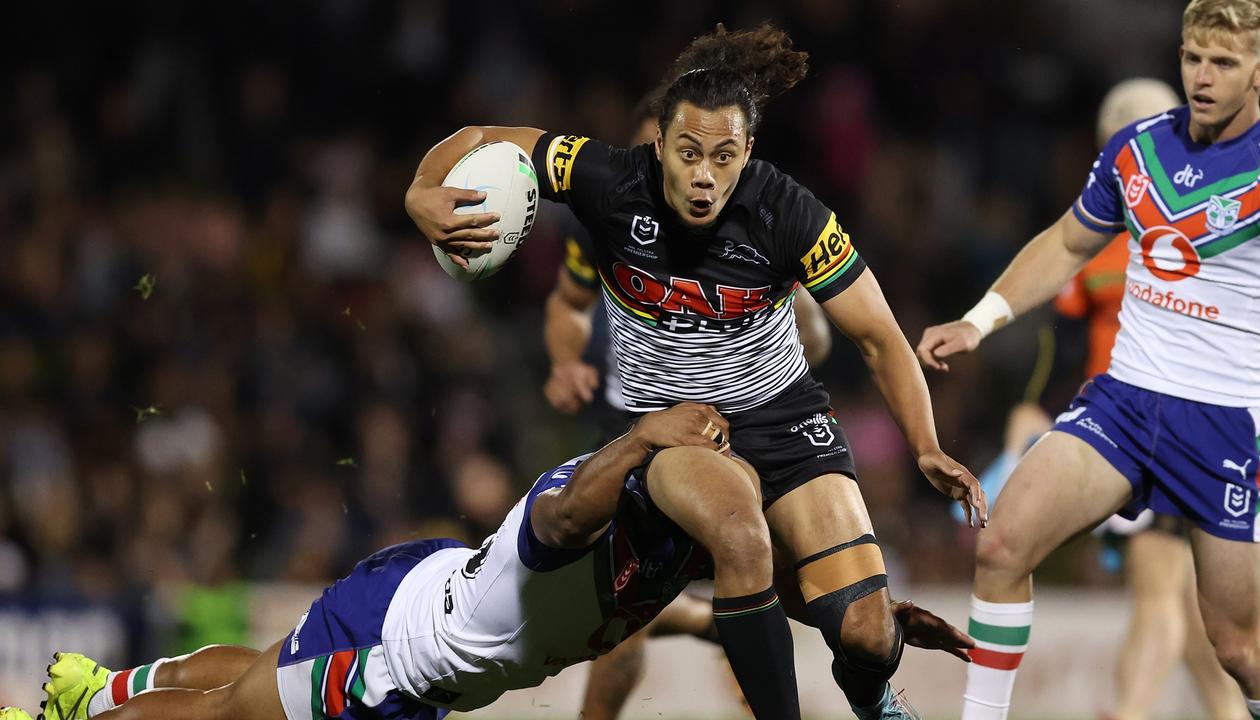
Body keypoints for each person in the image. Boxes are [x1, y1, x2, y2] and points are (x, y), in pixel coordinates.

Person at [407, 23, 986, 720]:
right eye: (686, 153)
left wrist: (925, 446)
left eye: (722, 155)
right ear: (659, 145)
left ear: (748, 152)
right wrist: (421, 189)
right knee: (740, 537)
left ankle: (873, 698)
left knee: (866, 632)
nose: (703, 175)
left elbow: (881, 338)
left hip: (785, 418)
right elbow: (481, 137)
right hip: (677, 432)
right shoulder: (610, 182)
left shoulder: (789, 212)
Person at [18, 404, 971, 720]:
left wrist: (831, 614)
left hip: (418, 592)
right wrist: (641, 438)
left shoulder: (680, 538)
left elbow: (732, 595)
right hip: (399, 661)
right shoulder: (588, 508)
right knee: (237, 715)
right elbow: (561, 520)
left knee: (264, 674)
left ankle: (91, 691)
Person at [917, 2, 1260, 718]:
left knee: (1237, 646)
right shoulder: (1136, 149)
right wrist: (980, 319)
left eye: (1225, 64)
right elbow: (1067, 244)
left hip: (1227, 427)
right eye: (1192, 58)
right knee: (1001, 546)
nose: (1203, 77)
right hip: (1125, 402)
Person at [543, 93, 832, 720]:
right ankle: (710, 622)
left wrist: (775, 361)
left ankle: (737, 635)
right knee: (612, 608)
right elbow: (568, 304)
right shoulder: (611, 218)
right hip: (632, 430)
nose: (688, 179)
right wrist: (566, 361)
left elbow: (818, 335)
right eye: (673, 156)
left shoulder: (754, 236)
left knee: (731, 570)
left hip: (730, 436)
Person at [1061, 77, 1246, 720]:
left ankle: (1131, 712)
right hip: (1188, 430)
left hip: (1165, 429)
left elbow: (1054, 355)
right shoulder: (1212, 220)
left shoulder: (1101, 241)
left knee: (1162, 595)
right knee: (1204, 622)